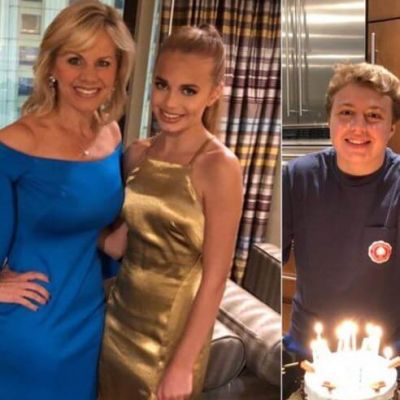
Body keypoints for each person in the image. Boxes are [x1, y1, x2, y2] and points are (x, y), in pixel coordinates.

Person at [98, 25, 243, 400]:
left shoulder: (219, 167)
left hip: (173, 339)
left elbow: (216, 277)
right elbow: (118, 245)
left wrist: (182, 365)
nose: (170, 102)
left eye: (188, 90)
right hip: (119, 324)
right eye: (162, 85)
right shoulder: (137, 154)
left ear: (214, 93)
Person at [0, 1, 134, 399]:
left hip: (89, 315)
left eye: (103, 63)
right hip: (30, 321)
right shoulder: (16, 142)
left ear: (118, 71)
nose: (89, 76)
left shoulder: (111, 135)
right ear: (52, 66)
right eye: (75, 60)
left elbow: (98, 228)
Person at [283, 62, 400, 396]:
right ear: (330, 120)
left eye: (374, 116)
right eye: (346, 113)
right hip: (309, 351)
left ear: (392, 128)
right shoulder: (297, 178)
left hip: (388, 359)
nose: (358, 127)